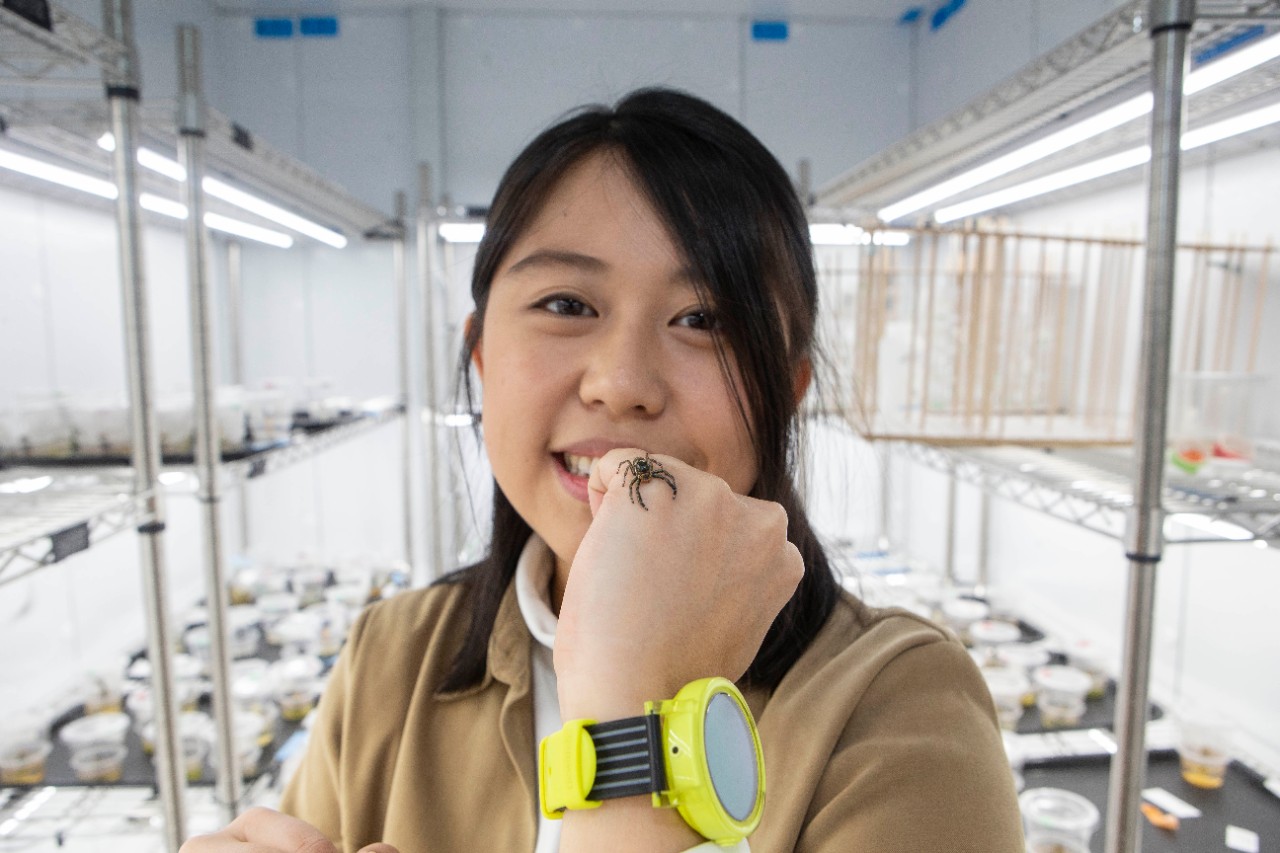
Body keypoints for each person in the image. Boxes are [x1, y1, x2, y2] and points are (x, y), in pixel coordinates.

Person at [182, 87, 1023, 853]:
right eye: (565, 305)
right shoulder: (394, 657)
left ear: (788, 389)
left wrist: (635, 718)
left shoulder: (903, 710)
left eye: (703, 318)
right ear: (480, 353)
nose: (621, 382)